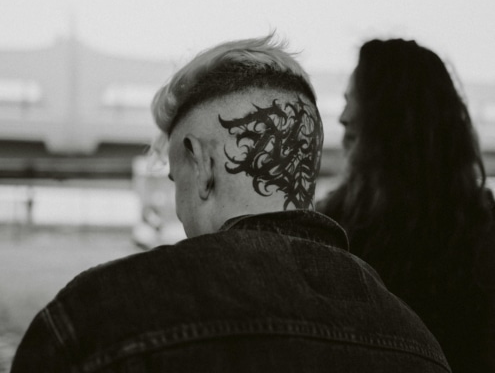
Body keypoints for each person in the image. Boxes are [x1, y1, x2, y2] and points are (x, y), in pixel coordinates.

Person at [12, 35, 450, 372]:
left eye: (174, 178)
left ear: (201, 165)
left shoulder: (95, 317)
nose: (179, 210)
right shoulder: (419, 343)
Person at [318, 38, 495, 372]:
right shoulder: (480, 230)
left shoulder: (334, 231)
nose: (342, 117)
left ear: (391, 119)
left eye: (354, 102)